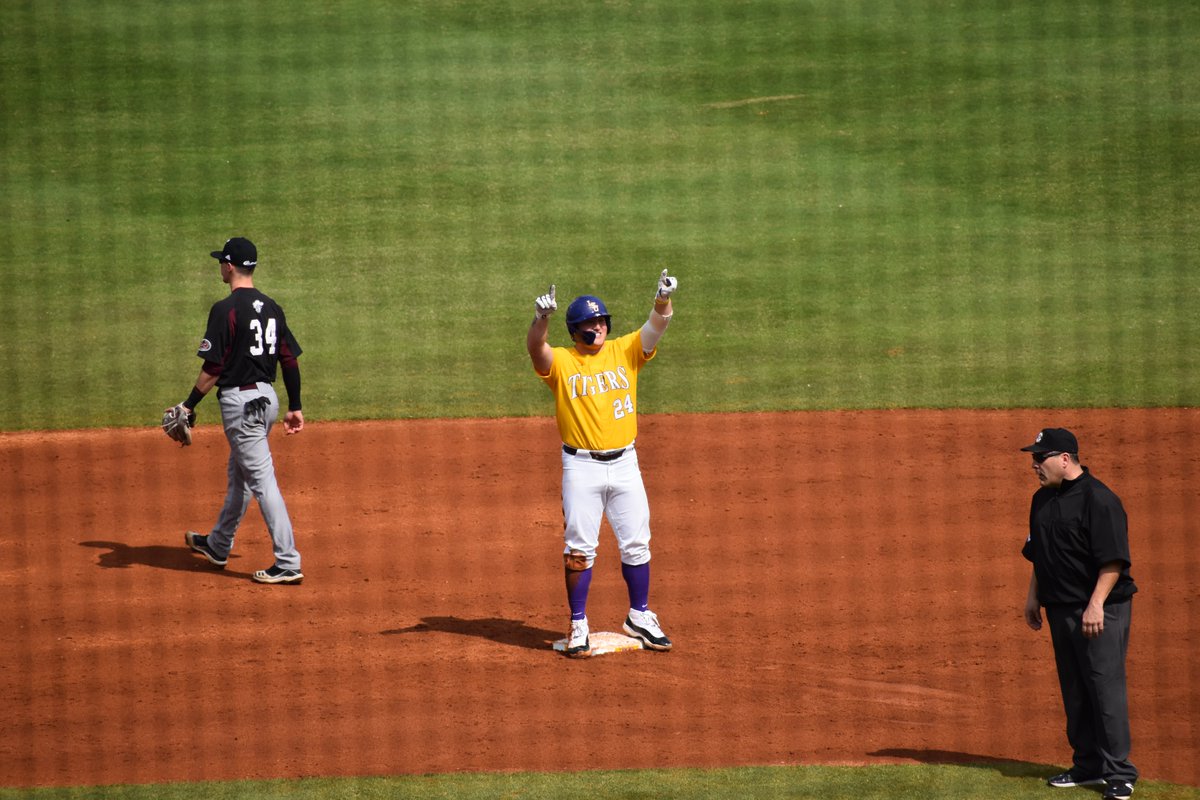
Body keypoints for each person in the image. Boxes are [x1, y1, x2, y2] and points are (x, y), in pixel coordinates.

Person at [526, 270, 679, 658]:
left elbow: (657, 326)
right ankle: (579, 624)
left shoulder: (624, 350)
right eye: (591, 323)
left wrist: (662, 298)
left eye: (602, 320)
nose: (599, 327)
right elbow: (535, 349)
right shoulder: (562, 362)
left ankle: (640, 616)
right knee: (579, 549)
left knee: (637, 543)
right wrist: (540, 320)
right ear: (577, 329)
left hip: (626, 463)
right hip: (581, 468)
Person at [177, 237, 306, 584]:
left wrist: (188, 404)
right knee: (241, 476)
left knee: (263, 482)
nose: (220, 266)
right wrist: (295, 406)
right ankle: (218, 544)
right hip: (268, 401)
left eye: (222, 261)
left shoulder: (226, 310)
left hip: (241, 405)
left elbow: (214, 368)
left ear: (229, 267)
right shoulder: (271, 306)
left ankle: (288, 560)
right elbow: (289, 360)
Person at [1020, 428, 1138, 800]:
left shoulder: (1099, 500)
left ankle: (1120, 773)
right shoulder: (1041, 500)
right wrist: (1032, 596)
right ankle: (1087, 766)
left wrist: (1095, 604)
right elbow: (1040, 553)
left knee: (1105, 690)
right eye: (1033, 458)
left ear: (1065, 459)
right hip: (1060, 608)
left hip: (1100, 610)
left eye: (1041, 458)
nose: (1034, 465)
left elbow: (1114, 560)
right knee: (1075, 691)